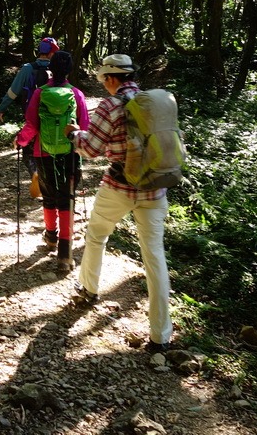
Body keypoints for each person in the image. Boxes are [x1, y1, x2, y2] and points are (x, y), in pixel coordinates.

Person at [64, 54, 173, 353]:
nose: (103, 84)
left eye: (102, 79)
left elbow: (91, 149)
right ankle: (161, 336)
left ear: (111, 78)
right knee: (155, 257)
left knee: (97, 235)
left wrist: (75, 134)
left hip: (119, 187)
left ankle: (88, 289)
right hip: (155, 189)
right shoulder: (156, 102)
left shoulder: (110, 105)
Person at [15, 50, 89, 271]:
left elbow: (31, 125)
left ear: (50, 69)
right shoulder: (76, 94)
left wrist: (20, 141)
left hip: (43, 151)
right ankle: (65, 255)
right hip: (69, 152)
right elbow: (84, 128)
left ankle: (50, 237)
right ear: (69, 71)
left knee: (48, 196)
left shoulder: (39, 93)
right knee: (66, 198)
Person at [0, 37, 59, 176]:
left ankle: (37, 177)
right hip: (54, 117)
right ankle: (50, 179)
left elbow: (13, 91)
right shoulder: (57, 69)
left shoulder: (28, 68)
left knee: (29, 154)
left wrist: (2, 108)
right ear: (51, 52)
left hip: (33, 117)